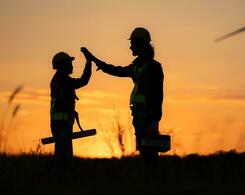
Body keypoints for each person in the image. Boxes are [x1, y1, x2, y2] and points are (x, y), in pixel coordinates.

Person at [81, 27, 164, 163]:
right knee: (144, 150)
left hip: (148, 117)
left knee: (150, 152)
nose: (130, 47)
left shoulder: (153, 67)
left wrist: (154, 120)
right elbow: (116, 70)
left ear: (140, 44)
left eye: (132, 43)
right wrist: (94, 59)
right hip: (138, 116)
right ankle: (147, 180)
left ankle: (152, 180)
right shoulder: (137, 66)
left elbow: (157, 95)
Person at [50, 49, 93, 178]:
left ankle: (61, 180)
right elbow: (83, 81)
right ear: (61, 65)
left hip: (61, 123)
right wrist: (89, 62)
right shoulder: (62, 80)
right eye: (69, 63)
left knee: (63, 154)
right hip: (62, 123)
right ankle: (61, 181)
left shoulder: (60, 80)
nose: (71, 65)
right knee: (64, 156)